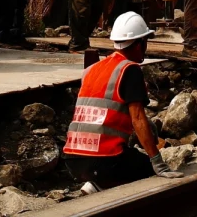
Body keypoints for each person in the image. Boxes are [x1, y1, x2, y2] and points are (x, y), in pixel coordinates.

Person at [63, 12, 182, 191]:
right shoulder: (130, 70)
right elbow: (137, 119)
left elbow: (103, 110)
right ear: (139, 43)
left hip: (72, 159)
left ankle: (96, 184)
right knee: (148, 172)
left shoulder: (92, 69)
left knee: (128, 161)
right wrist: (158, 163)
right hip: (103, 160)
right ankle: (102, 184)